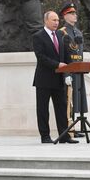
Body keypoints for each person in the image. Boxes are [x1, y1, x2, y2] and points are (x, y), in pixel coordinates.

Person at [32, 11, 78, 144]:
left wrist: (74, 65)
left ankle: (64, 135)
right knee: (43, 109)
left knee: (62, 108)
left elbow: (64, 55)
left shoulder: (60, 35)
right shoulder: (38, 36)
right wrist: (58, 64)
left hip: (58, 79)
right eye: (53, 20)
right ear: (45, 21)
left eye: (57, 20)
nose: (56, 23)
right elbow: (41, 57)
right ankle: (45, 136)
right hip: (44, 79)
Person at [59, 2, 87, 138]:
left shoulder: (77, 32)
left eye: (75, 13)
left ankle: (75, 128)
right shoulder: (62, 32)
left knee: (77, 99)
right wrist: (65, 73)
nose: (75, 15)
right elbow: (62, 55)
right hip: (69, 69)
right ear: (65, 15)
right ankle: (69, 129)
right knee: (68, 100)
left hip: (79, 69)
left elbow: (79, 53)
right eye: (71, 13)